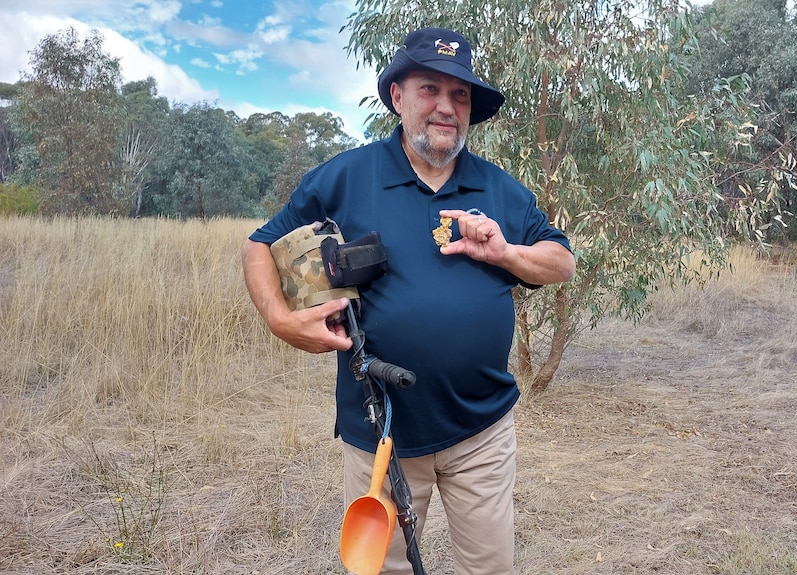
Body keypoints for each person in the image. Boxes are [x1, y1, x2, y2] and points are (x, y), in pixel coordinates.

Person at [241, 26, 576, 575]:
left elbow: (559, 260)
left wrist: (505, 254)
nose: (446, 107)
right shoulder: (346, 178)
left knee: (489, 569)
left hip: (482, 432)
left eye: (460, 94)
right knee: (383, 570)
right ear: (398, 96)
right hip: (380, 431)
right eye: (430, 89)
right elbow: (260, 245)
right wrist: (280, 320)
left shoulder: (500, 190)